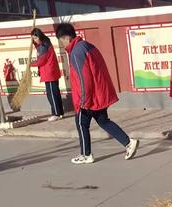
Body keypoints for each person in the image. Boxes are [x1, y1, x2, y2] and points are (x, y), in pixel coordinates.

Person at [55, 23, 138, 164]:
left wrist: (83, 101)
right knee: (103, 121)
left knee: (81, 124)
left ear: (67, 37)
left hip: (88, 97)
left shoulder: (76, 52)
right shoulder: (87, 46)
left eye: (61, 40)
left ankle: (86, 154)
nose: (61, 44)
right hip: (98, 95)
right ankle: (129, 142)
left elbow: (83, 78)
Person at [31, 28, 64, 122]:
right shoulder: (45, 43)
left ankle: (56, 113)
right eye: (33, 39)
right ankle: (59, 112)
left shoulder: (43, 46)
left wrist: (31, 63)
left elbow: (41, 60)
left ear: (39, 36)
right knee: (55, 93)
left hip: (49, 72)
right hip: (51, 71)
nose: (35, 40)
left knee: (51, 94)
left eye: (35, 38)